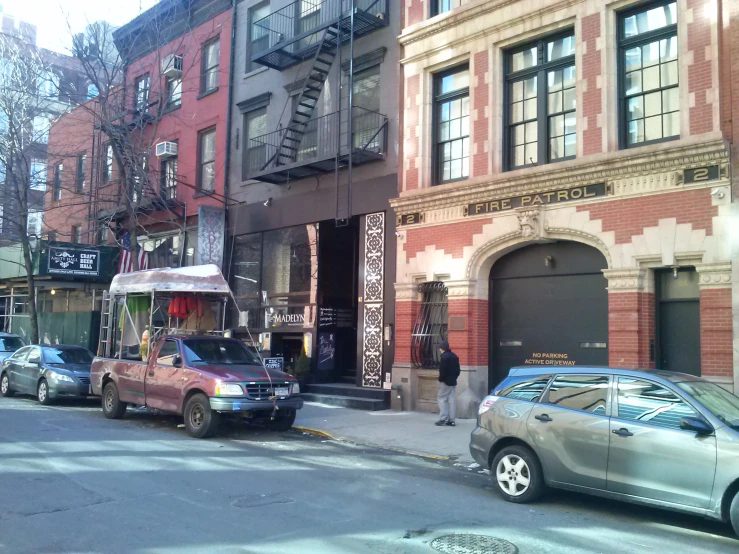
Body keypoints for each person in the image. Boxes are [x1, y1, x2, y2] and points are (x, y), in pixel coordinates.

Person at [436, 340, 460, 427]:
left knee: (441, 398)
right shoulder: (454, 356)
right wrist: (454, 377)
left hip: (445, 382)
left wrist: (440, 379)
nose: (439, 350)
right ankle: (452, 420)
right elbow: (458, 370)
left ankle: (443, 418)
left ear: (442, 348)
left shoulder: (444, 357)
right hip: (453, 381)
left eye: (440, 348)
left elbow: (442, 371)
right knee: (451, 400)